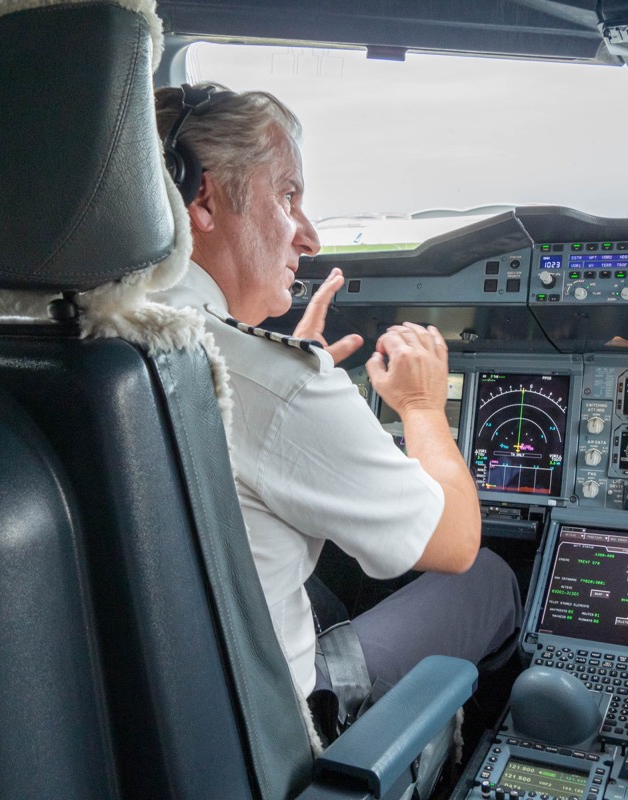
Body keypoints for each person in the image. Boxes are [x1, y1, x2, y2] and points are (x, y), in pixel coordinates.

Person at [152, 83, 520, 732]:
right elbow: (455, 539)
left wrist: (281, 369)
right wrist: (420, 407)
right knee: (485, 576)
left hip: (153, 716)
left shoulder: (77, 339)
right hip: (273, 730)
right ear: (202, 198)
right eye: (287, 195)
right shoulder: (269, 381)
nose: (310, 237)